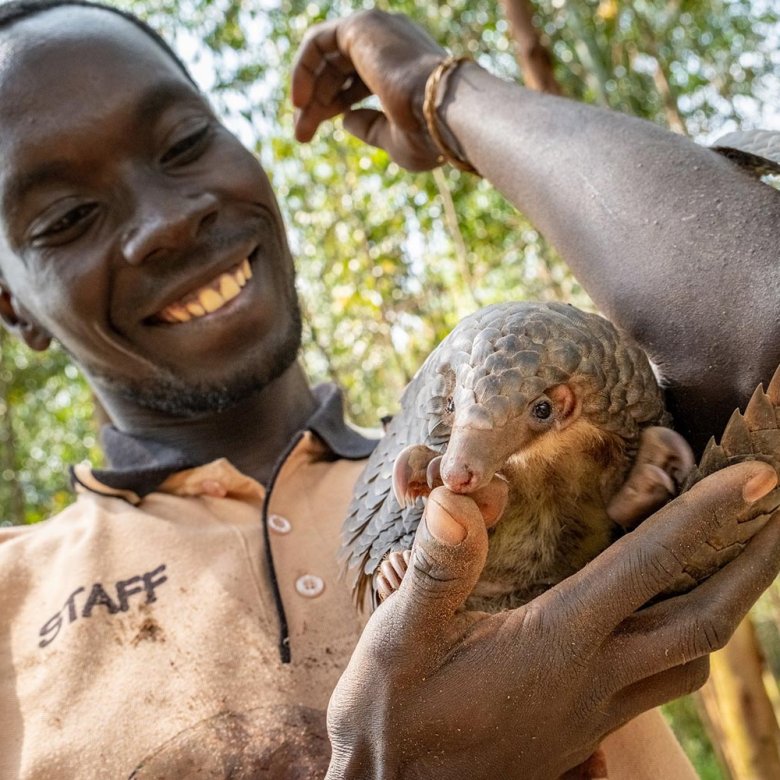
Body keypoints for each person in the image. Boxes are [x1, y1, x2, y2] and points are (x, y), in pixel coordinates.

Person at [0, 2, 776, 778]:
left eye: (185, 142)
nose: (167, 221)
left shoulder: (541, 459)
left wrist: (444, 96)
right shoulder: (15, 596)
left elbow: (763, 311)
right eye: (68, 217)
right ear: (13, 307)